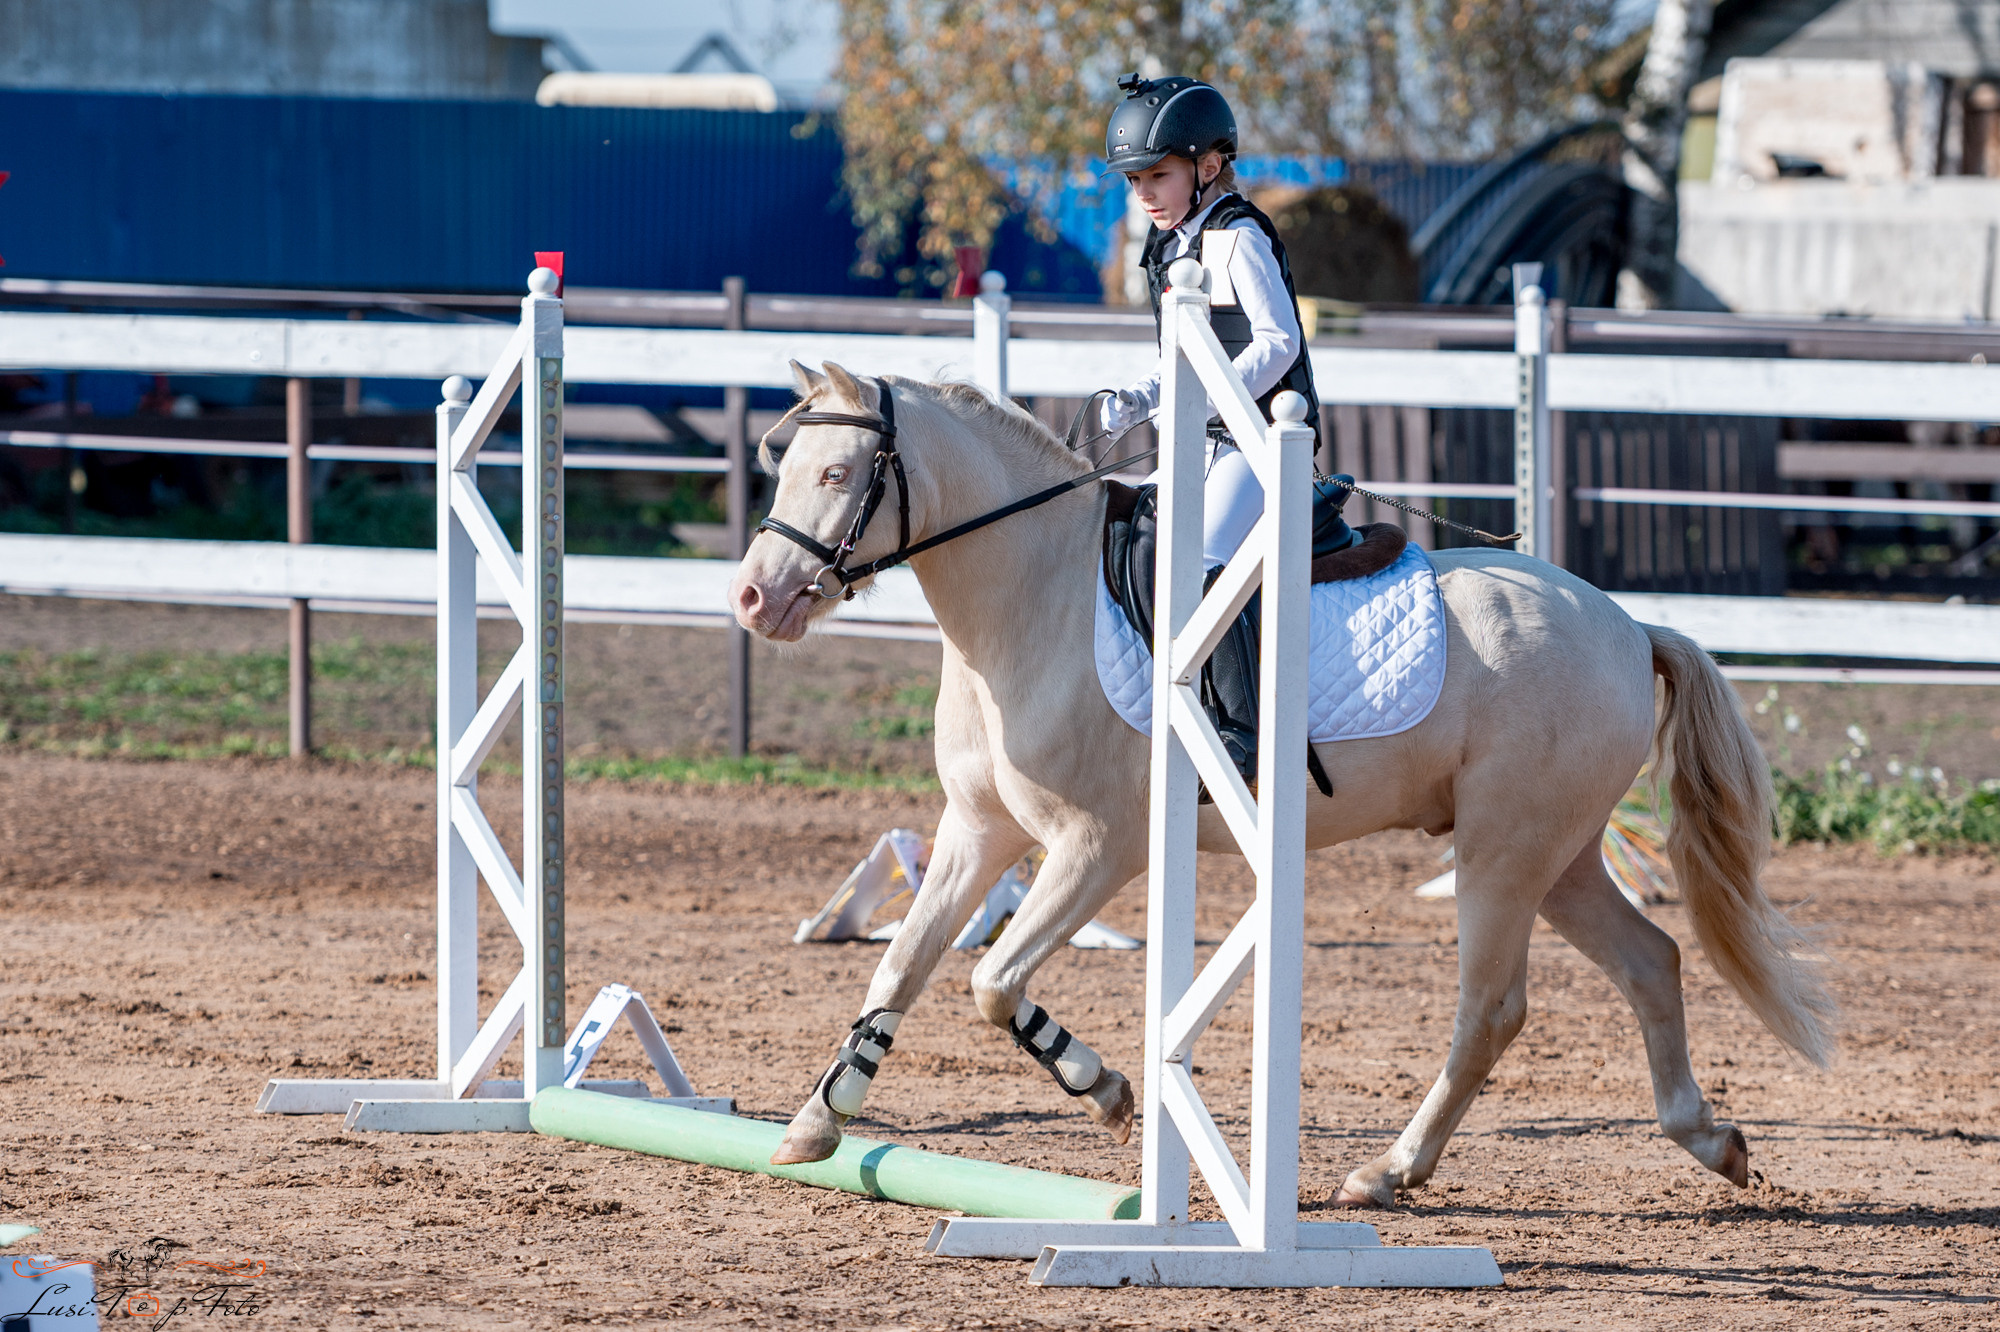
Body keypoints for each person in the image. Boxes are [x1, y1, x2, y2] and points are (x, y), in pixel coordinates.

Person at [1099, 72, 1331, 785]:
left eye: (1157, 176)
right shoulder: (1169, 246)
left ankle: (1240, 732)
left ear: (1207, 166)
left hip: (1261, 439)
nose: (1143, 193)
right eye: (1134, 179)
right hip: (1207, 435)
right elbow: (1184, 357)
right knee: (1129, 529)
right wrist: (1142, 396)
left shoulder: (1238, 236)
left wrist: (1207, 399)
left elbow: (1278, 343)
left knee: (1201, 555)